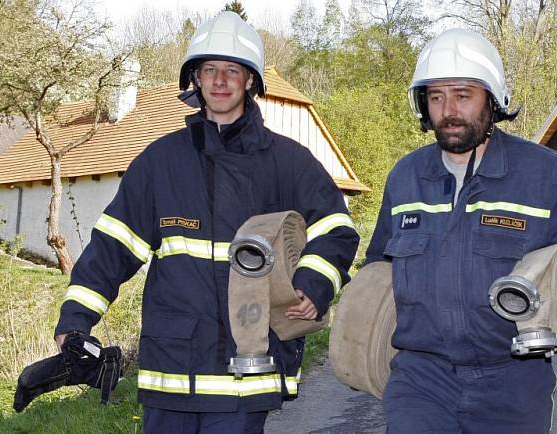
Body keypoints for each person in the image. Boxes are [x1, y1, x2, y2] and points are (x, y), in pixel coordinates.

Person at [53, 11, 359, 434]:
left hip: (247, 372)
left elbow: (336, 229)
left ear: (250, 80)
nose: (219, 81)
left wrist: (314, 284)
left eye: (232, 70)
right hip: (172, 374)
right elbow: (112, 247)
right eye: (209, 70)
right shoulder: (161, 162)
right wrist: (74, 322)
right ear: (194, 78)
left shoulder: (289, 163)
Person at [365, 28, 557, 433]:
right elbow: (378, 267)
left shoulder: (544, 174)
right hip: (421, 378)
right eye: (436, 96)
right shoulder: (405, 178)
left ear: (492, 101)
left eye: (463, 95)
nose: (449, 110)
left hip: (512, 379)